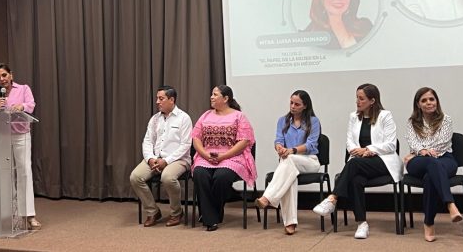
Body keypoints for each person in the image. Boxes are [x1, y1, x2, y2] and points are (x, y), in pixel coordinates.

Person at [313, 83, 402, 239]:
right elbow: (349, 142)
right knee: (356, 180)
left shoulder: (385, 116)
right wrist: (358, 152)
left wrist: (367, 149)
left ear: (372, 101)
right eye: (357, 98)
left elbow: (391, 145)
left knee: (353, 164)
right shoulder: (353, 117)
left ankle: (333, 198)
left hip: (383, 162)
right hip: (361, 163)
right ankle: (362, 224)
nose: (357, 101)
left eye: (361, 98)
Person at [255, 90, 321, 235]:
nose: (292, 106)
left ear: (305, 106)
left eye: (297, 104)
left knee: (288, 160)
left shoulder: (313, 121)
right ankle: (290, 223)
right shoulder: (282, 121)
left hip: (309, 161)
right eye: (291, 103)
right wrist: (279, 148)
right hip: (289, 162)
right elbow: (278, 140)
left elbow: (311, 144)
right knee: (290, 177)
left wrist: (292, 150)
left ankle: (268, 197)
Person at [192, 85, 257, 231]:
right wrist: (205, 154)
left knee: (221, 176)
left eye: (215, 95)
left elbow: (244, 141)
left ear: (226, 98)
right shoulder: (206, 115)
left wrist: (223, 156)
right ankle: (212, 217)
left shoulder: (239, 116)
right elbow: (196, 138)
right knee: (199, 174)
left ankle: (210, 216)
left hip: (232, 158)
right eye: (212, 94)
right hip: (206, 157)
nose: (211, 97)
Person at [0, 63, 41, 230]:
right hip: (2, 137)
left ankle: (29, 215)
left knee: (24, 172)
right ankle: (9, 214)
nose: (2, 79)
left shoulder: (23, 89)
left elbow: (31, 104)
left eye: (4, 75)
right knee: (5, 174)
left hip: (21, 135)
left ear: (11, 75)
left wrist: (22, 106)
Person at [403, 87, 462, 242]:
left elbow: (442, 143)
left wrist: (422, 150)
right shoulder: (412, 122)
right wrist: (421, 151)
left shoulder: (446, 119)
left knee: (430, 176)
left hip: (445, 158)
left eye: (431, 99)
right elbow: (412, 141)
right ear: (418, 104)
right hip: (419, 161)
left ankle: (428, 223)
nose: (429, 102)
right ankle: (450, 204)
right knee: (431, 162)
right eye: (424, 100)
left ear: (437, 101)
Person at [129, 86, 192, 227]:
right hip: (156, 158)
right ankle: (153, 211)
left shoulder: (184, 118)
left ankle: (176, 213)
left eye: (161, 98)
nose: (157, 101)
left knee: (167, 178)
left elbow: (186, 145)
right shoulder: (155, 119)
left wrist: (166, 161)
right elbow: (147, 141)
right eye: (157, 98)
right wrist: (150, 158)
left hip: (178, 159)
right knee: (135, 177)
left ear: (171, 100)